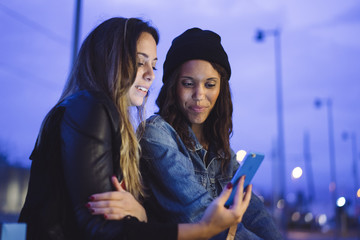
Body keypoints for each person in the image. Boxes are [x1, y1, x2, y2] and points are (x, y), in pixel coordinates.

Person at [18, 18, 252, 240]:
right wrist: (203, 229)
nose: (150, 75)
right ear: (108, 59)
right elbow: (100, 229)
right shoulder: (91, 108)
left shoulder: (100, 115)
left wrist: (140, 215)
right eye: (140, 63)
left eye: (153, 65)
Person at [137, 28, 283, 239]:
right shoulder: (156, 135)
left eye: (210, 84)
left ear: (221, 89)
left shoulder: (223, 152)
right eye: (188, 83)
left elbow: (255, 214)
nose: (199, 95)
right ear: (172, 86)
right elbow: (204, 218)